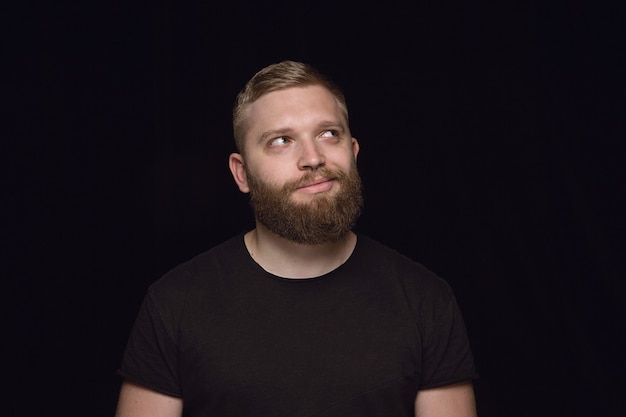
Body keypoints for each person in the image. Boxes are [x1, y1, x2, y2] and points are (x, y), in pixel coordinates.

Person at [114, 60, 479, 417]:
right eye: (281, 140)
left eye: (328, 134)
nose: (312, 158)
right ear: (242, 174)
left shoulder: (426, 301)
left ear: (352, 152)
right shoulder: (174, 304)